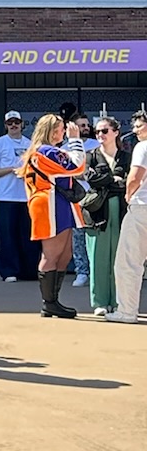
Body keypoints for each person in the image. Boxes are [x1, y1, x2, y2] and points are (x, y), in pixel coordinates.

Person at [20, 114, 87, 321]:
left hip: (58, 204)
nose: (64, 131)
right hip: (49, 205)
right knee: (52, 254)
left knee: (65, 254)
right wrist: (75, 141)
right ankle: (49, 303)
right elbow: (77, 166)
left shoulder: (47, 151)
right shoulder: (46, 151)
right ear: (51, 131)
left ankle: (53, 301)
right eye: (61, 128)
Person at [82, 117, 128, 317]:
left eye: (105, 131)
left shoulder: (127, 157)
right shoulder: (90, 156)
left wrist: (109, 181)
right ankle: (99, 301)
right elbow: (91, 179)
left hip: (122, 212)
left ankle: (119, 301)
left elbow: (129, 181)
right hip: (97, 212)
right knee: (98, 258)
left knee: (120, 258)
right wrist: (113, 179)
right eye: (97, 131)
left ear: (116, 132)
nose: (100, 134)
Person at [0, 110, 35, 283]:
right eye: (10, 123)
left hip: (26, 197)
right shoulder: (0, 143)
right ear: (5, 125)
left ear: (22, 124)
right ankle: (9, 271)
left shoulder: (30, 144)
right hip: (5, 197)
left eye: (16, 122)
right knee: (7, 236)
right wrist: (11, 170)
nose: (14, 125)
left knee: (27, 236)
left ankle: (29, 271)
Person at [108, 110, 147, 324]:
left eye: (139, 126)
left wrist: (128, 194)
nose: (135, 130)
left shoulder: (143, 147)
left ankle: (127, 311)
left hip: (142, 207)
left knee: (128, 262)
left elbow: (135, 177)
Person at [62, 114, 98, 292]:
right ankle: (81, 271)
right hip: (76, 197)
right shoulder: (64, 148)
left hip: (96, 196)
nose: (85, 128)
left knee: (95, 235)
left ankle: (96, 272)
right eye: (81, 125)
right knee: (78, 237)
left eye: (86, 125)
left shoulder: (97, 145)